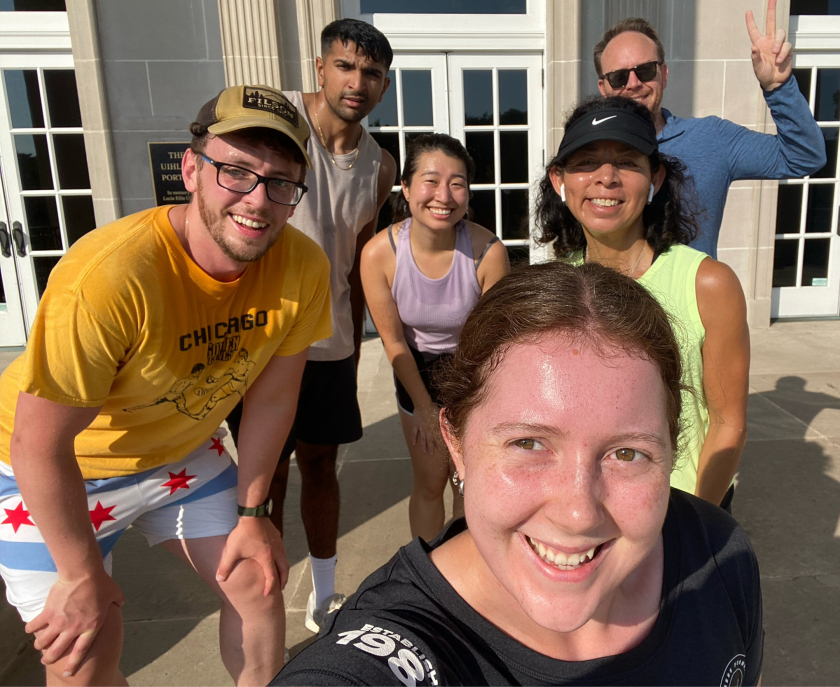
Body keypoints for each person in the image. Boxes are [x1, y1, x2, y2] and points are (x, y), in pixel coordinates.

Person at [271, 262, 763, 686]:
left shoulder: (718, 553)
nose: (577, 513)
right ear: (457, 445)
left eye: (627, 454)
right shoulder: (392, 642)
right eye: (528, 444)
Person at [0, 84, 332, 686]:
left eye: (281, 182)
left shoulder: (303, 264)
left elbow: (275, 396)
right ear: (192, 170)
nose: (258, 200)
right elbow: (37, 444)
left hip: (177, 453)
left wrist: (254, 510)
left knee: (258, 584)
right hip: (50, 467)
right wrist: (80, 576)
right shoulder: (109, 276)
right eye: (236, 172)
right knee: (85, 653)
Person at [223, 18, 397, 634]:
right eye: (346, 66)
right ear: (320, 68)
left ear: (384, 85)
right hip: (259, 343)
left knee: (320, 464)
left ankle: (322, 594)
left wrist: (354, 348)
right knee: (260, 474)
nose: (358, 82)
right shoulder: (275, 128)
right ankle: (257, 588)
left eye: (372, 73)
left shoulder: (380, 164)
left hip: (329, 342)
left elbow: (358, 265)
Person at [537, 95, 749, 510]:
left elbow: (729, 424)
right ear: (560, 181)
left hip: (680, 505)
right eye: (586, 162)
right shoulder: (557, 282)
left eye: (627, 162)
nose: (606, 177)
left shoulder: (707, 283)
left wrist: (693, 522)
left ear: (655, 178)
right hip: (588, 505)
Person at [361, 134, 510, 542]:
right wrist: (425, 409)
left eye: (457, 183)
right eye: (430, 181)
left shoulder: (487, 251)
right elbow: (393, 342)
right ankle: (425, 571)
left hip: (473, 370)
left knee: (468, 480)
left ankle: (468, 567)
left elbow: (493, 339)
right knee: (430, 481)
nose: (443, 195)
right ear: (407, 189)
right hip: (415, 369)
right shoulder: (380, 254)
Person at [594, 0, 826, 258]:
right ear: (603, 88)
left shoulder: (711, 138)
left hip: (691, 296)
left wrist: (779, 88)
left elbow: (804, 157)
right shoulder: (589, 151)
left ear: (665, 74)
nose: (634, 83)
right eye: (619, 77)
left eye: (646, 70)